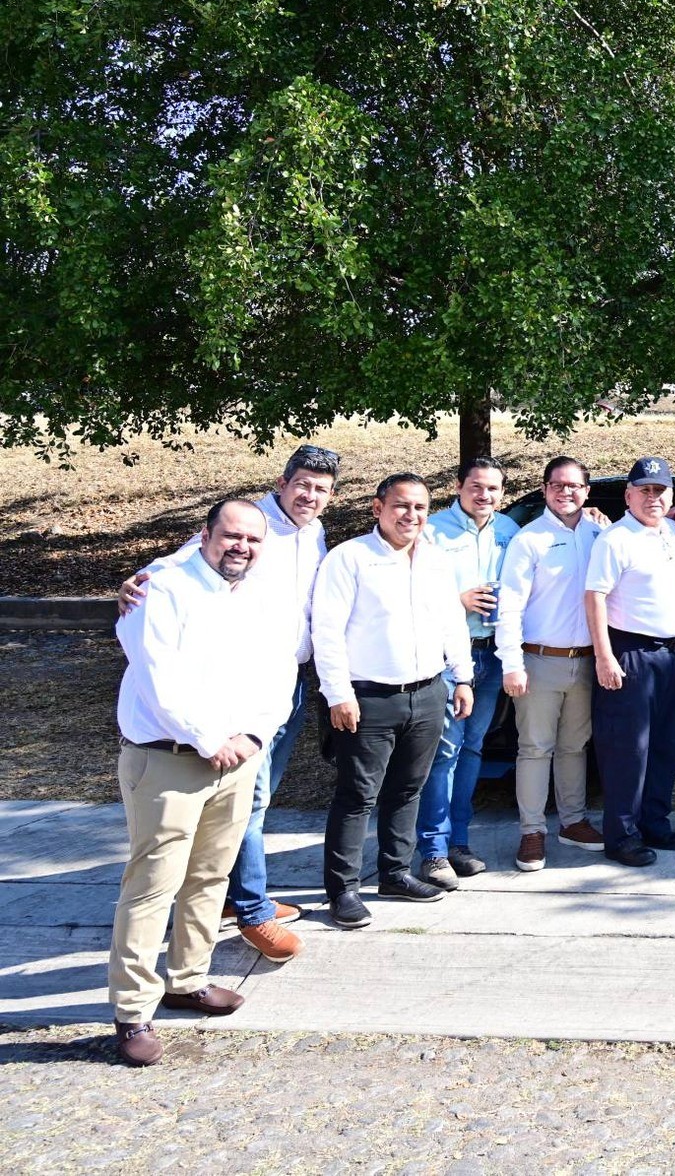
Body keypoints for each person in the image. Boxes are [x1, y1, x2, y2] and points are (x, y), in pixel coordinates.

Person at [116, 443, 338, 963]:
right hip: (234, 694)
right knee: (251, 800)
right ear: (282, 483)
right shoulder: (252, 525)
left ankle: (227, 896)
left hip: (284, 683)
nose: (310, 496)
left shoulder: (314, 532)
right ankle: (252, 909)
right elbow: (177, 566)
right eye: (302, 484)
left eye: (322, 489)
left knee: (251, 802)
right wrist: (131, 584)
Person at [107, 500, 301, 1066]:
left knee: (210, 875)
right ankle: (132, 1011)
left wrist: (255, 736)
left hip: (239, 755)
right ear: (204, 534)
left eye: (252, 539)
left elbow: (280, 671)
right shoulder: (160, 587)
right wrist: (208, 736)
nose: (241, 546)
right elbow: (156, 675)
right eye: (230, 535)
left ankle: (188, 981)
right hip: (168, 758)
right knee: (152, 885)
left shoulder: (264, 594)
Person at [313, 473, 475, 927]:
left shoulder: (436, 561)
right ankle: (342, 890)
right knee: (357, 796)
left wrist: (462, 678)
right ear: (377, 508)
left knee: (408, 789)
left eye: (421, 507)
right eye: (402, 506)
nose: (412, 515)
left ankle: (395, 872)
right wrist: (338, 694)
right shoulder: (350, 559)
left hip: (426, 693)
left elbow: (451, 623)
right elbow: (326, 633)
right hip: (367, 700)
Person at [495, 455, 608, 872]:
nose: (566, 492)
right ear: (545, 490)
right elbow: (510, 606)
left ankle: (573, 821)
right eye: (557, 485)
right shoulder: (530, 539)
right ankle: (531, 831)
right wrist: (512, 662)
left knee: (575, 747)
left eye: (574, 486)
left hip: (587, 660)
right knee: (534, 748)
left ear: (587, 491)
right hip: (539, 660)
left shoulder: (600, 533)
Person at [584, 457, 675, 867]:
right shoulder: (615, 539)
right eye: (645, 490)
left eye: (660, 490)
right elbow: (594, 596)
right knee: (628, 751)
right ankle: (622, 835)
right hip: (630, 653)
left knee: (666, 746)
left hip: (673, 654)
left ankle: (654, 822)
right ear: (628, 495)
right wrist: (604, 656)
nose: (653, 497)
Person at [416, 455, 520, 887]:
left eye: (494, 488)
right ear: (459, 487)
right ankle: (434, 851)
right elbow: (412, 589)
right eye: (477, 486)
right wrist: (457, 600)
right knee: (444, 753)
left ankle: (460, 842)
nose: (485, 495)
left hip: (491, 656)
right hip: (446, 658)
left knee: (473, 748)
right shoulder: (432, 531)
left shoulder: (509, 532)